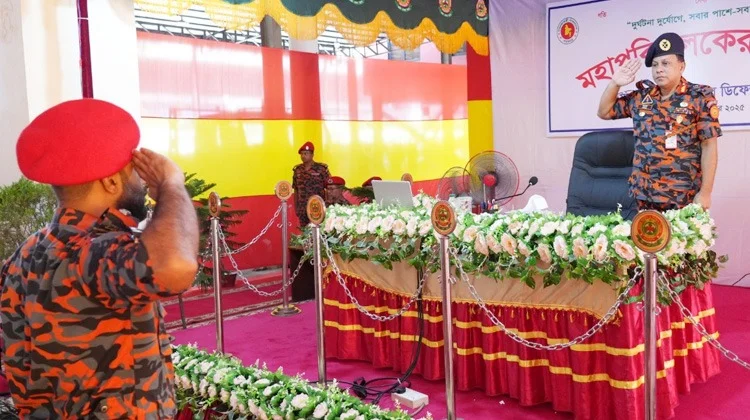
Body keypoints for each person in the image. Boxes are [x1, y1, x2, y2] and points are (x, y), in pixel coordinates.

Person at [0, 99, 199, 418]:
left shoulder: (25, 252)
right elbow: (176, 266)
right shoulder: (93, 250)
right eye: (134, 172)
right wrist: (172, 185)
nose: (142, 183)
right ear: (110, 182)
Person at [596, 32, 720, 211]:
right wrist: (615, 83)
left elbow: (709, 146)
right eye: (655, 65)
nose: (659, 69)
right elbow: (604, 112)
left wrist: (706, 193)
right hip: (643, 194)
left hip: (682, 196)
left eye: (665, 63)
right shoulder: (641, 98)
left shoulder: (699, 97)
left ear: (682, 66)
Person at [292, 141, 330, 226]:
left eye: (306, 153)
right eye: (302, 154)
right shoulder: (298, 170)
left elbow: (328, 188)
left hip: (318, 207)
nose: (303, 156)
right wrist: (296, 207)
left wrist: (327, 206)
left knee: (319, 230)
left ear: (312, 155)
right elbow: (296, 190)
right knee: (304, 230)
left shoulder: (321, 169)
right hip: (303, 208)